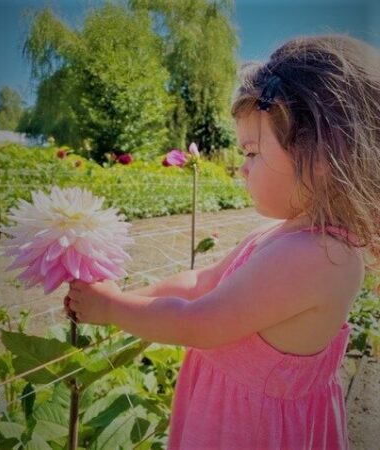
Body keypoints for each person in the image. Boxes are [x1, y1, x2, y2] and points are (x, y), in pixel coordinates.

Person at [64, 33, 380, 449]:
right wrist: (122, 296)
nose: (242, 169)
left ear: (319, 155)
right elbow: (202, 282)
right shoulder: (282, 233)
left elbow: (199, 323)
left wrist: (111, 309)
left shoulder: (321, 257)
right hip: (227, 415)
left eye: (251, 152)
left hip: (253, 433)